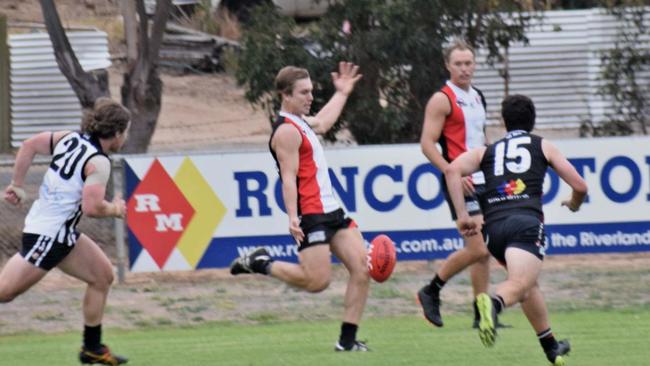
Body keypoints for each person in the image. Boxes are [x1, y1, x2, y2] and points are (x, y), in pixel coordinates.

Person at [230, 62, 370, 352]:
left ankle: (347, 342)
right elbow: (288, 178)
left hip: (333, 211)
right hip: (312, 214)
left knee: (362, 268)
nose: (310, 97)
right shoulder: (286, 132)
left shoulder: (303, 123)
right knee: (317, 282)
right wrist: (293, 217)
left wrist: (342, 93)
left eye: (311, 91)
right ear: (285, 95)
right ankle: (261, 263)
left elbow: (325, 121)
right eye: (303, 92)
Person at [445, 94, 587, 365]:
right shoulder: (542, 145)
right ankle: (493, 304)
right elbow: (580, 186)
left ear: (503, 121)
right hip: (525, 224)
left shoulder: (488, 150)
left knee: (527, 283)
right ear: (533, 121)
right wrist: (573, 204)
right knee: (520, 285)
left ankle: (550, 347)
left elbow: (452, 170)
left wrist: (463, 215)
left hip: (493, 230)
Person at [0, 98, 130, 365]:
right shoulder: (99, 162)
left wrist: (18, 184)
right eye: (125, 131)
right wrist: (116, 209)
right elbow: (92, 207)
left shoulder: (70, 139)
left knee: (103, 276)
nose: (125, 137)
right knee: (4, 292)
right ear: (116, 133)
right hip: (49, 236)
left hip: (61, 234)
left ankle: (92, 348)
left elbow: (29, 145)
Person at [418, 39, 498, 328]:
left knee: (485, 251)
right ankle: (431, 290)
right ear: (447, 66)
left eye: (468, 63)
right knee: (478, 248)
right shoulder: (442, 99)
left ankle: (482, 314)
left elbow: (480, 140)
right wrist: (453, 172)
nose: (464, 68)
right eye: (458, 64)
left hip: (482, 179)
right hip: (460, 182)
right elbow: (427, 145)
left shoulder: (477, 96)